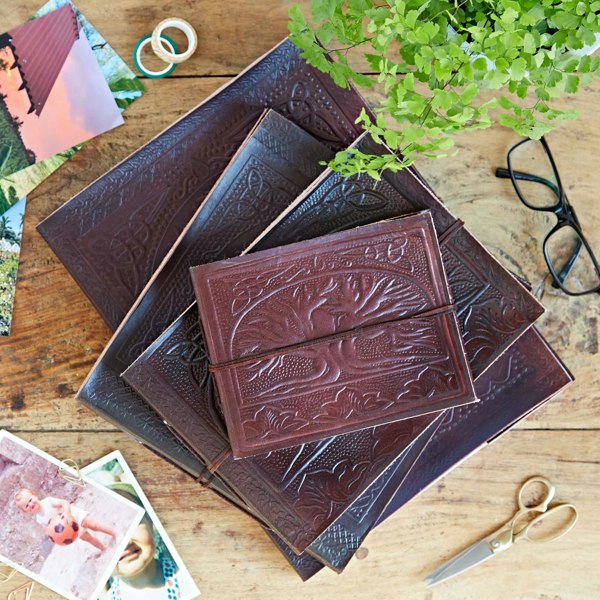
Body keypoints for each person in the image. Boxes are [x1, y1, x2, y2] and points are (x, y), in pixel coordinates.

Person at [14, 488, 116, 551]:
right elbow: (48, 530)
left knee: (94, 525)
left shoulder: (48, 502)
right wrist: (55, 538)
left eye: (30, 500)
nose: (31, 504)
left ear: (35, 496)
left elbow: (64, 502)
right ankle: (103, 548)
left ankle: (114, 533)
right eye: (27, 506)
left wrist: (67, 512)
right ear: (25, 511)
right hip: (70, 530)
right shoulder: (39, 519)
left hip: (74, 516)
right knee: (87, 538)